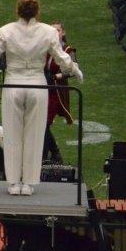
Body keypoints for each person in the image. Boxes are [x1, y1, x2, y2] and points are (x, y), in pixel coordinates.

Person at [0, 0, 83, 196]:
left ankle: (13, 182)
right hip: (37, 85)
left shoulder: (6, 31)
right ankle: (28, 183)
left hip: (14, 84)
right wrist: (75, 70)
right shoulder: (48, 31)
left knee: (12, 135)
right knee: (34, 135)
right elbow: (62, 58)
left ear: (17, 11)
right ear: (37, 12)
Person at [43, 21, 76, 163]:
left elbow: (73, 70)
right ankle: (55, 153)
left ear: (63, 32)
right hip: (44, 89)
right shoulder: (46, 48)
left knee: (44, 123)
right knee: (42, 123)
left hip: (57, 91)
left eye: (57, 30)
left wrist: (56, 76)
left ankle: (45, 156)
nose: (55, 33)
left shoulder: (68, 50)